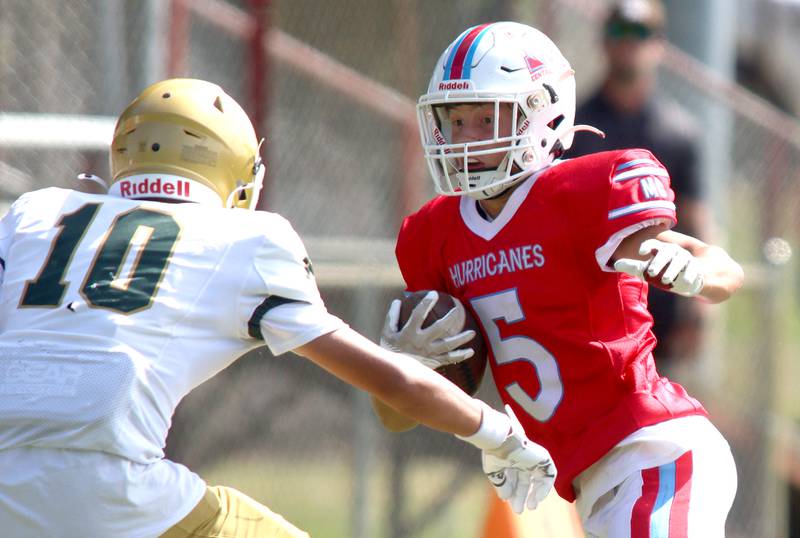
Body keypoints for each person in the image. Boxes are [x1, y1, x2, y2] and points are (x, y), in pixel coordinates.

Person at [0, 78, 556, 537]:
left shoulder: (33, 214)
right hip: (115, 494)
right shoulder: (245, 239)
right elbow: (397, 385)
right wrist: (501, 435)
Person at [374, 22, 744, 537]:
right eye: (456, 120)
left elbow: (728, 271)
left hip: (655, 451)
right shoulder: (435, 235)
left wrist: (698, 273)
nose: (467, 138)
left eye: (486, 118)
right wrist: (401, 368)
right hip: (592, 487)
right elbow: (397, 417)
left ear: (541, 113)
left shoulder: (585, 194)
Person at [569, 0, 711, 370]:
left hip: (658, 314)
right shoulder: (575, 130)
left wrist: (698, 310)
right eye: (620, 31)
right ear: (604, 41)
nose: (629, 43)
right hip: (588, 315)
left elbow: (697, 222)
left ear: (659, 44)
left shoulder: (680, 133)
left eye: (641, 33)